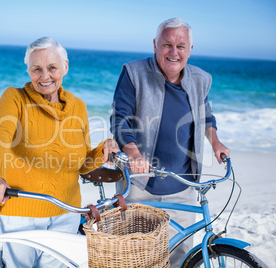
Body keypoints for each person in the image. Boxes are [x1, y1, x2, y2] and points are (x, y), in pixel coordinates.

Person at [0, 37, 119, 268]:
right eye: (37, 69)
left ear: (65, 66)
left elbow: (82, 163)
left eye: (52, 67)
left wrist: (103, 150)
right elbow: (0, 136)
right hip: (22, 211)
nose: (45, 75)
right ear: (28, 70)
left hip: (66, 212)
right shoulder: (14, 98)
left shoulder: (78, 106)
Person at [110, 18, 230, 267]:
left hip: (183, 185)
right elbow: (121, 118)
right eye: (167, 45)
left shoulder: (201, 79)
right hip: (140, 185)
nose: (174, 52)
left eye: (181, 46)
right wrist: (132, 153)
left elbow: (205, 114)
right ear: (155, 45)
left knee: (181, 256)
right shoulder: (134, 73)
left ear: (190, 49)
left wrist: (216, 143)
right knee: (136, 258)